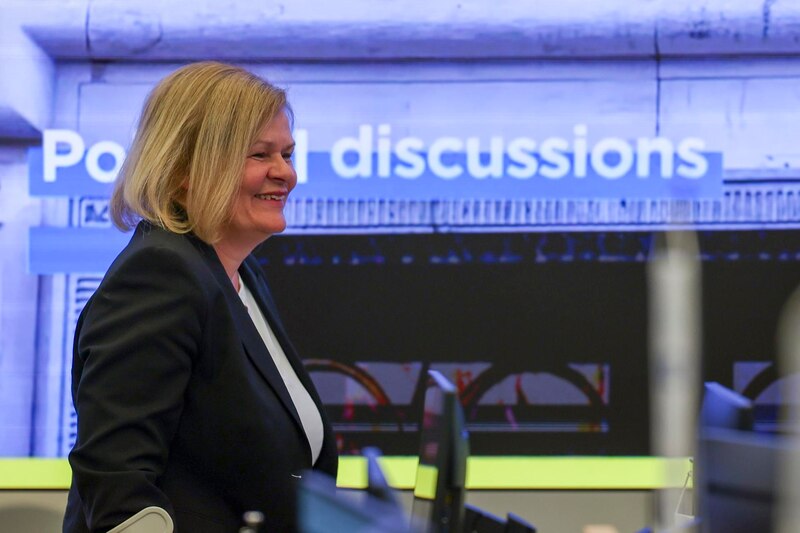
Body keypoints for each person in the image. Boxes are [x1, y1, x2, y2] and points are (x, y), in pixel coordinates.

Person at [62, 61, 338, 533]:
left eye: (288, 154)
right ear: (185, 169)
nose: (286, 174)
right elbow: (118, 485)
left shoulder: (241, 274)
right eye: (260, 155)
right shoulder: (159, 276)